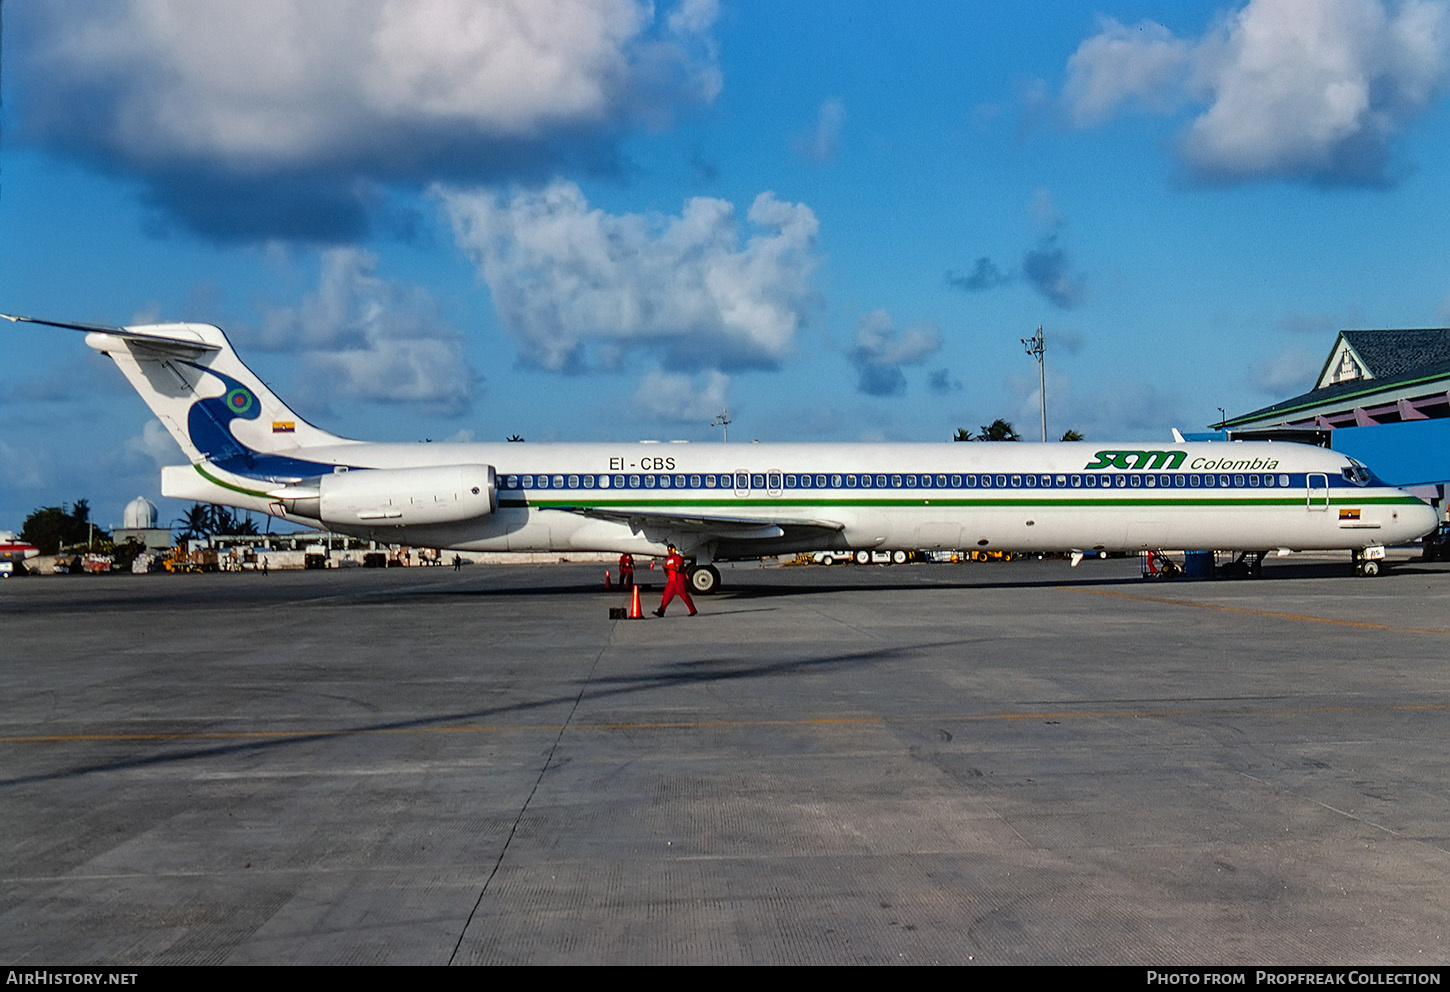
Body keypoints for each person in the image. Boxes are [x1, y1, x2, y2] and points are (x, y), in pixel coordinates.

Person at [653, 544, 696, 617]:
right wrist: (665, 569)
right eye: (668, 550)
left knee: (683, 594)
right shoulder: (668, 559)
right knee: (666, 595)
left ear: (673, 550)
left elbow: (677, 569)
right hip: (672, 579)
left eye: (670, 550)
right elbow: (667, 573)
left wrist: (667, 567)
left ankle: (693, 610)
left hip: (678, 578)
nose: (669, 552)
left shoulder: (678, 558)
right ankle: (661, 610)